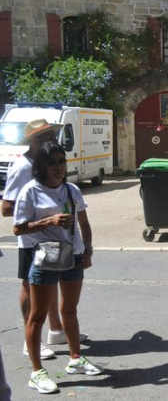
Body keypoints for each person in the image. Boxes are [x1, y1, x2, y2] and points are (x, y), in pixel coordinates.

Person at [13, 142, 103, 394]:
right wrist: (48, 221)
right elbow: (18, 228)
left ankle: (76, 358)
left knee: (70, 311)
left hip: (72, 257)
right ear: (41, 166)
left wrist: (88, 250)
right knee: (38, 316)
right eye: (51, 162)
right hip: (44, 259)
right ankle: (36, 372)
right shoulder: (30, 191)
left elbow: (84, 223)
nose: (58, 167)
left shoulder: (72, 190)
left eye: (61, 161)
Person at [1, 119, 87, 361]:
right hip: (33, 241)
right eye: (49, 136)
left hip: (57, 242)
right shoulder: (23, 168)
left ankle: (56, 331)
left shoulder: (51, 168)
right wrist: (41, 211)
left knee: (54, 286)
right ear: (35, 141)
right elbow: (7, 208)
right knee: (31, 289)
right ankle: (32, 344)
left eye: (53, 136)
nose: (54, 140)